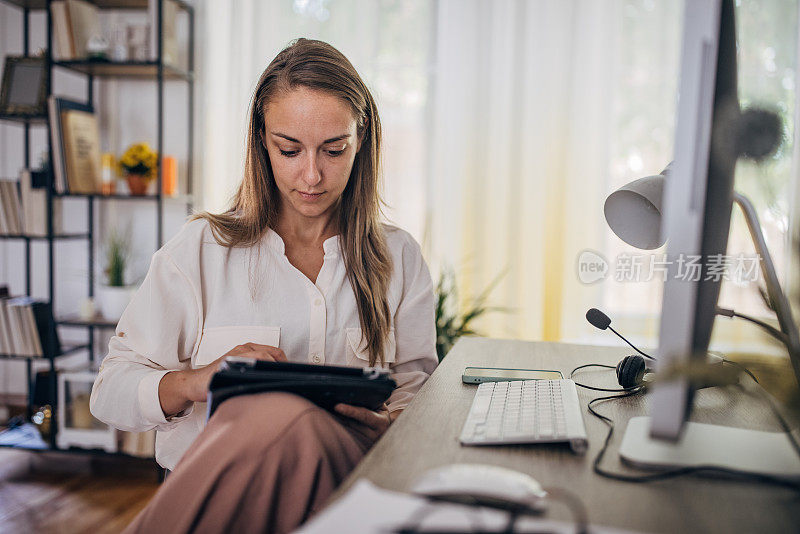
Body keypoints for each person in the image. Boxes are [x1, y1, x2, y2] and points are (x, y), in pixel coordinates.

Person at [90, 38, 438, 533]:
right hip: (220, 497)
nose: (311, 175)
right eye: (289, 150)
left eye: (334, 150)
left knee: (281, 414)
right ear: (261, 142)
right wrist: (195, 382)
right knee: (269, 414)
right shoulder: (201, 249)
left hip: (349, 482)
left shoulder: (398, 257)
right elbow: (108, 394)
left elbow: (417, 395)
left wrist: (395, 424)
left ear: (361, 143)